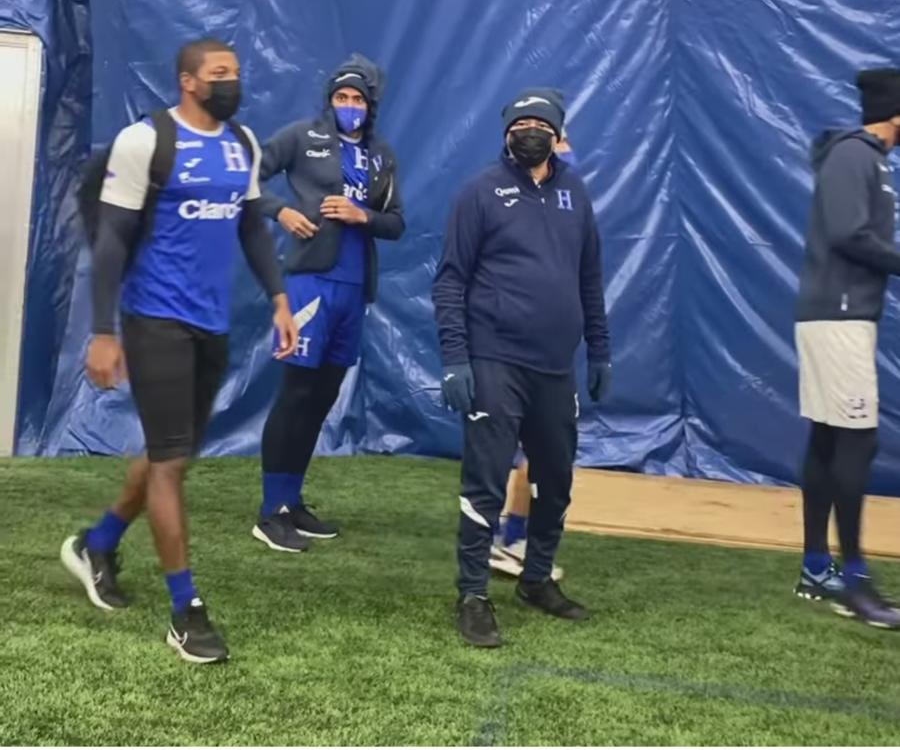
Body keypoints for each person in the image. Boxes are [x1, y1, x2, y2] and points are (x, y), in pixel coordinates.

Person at [60, 38, 297, 664]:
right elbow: (110, 240)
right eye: (220, 74)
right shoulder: (147, 142)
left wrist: (278, 298)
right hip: (153, 322)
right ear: (189, 81)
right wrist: (104, 331)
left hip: (210, 326)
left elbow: (250, 224)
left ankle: (99, 542)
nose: (232, 83)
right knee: (168, 464)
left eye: (236, 74)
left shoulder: (241, 144)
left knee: (174, 455)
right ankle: (186, 610)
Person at [432, 88, 611, 647]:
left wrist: (600, 351)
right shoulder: (480, 193)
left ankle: (536, 579)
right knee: (485, 480)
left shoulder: (575, 195)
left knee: (554, 479)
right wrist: (457, 359)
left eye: (541, 122)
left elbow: (589, 280)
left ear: (557, 133)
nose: (530, 130)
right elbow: (450, 280)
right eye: (521, 122)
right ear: (507, 131)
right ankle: (473, 594)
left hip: (556, 367)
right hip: (494, 360)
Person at [251, 54, 404, 552]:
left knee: (320, 400)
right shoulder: (302, 136)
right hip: (310, 285)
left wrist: (364, 215)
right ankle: (269, 511)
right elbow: (247, 176)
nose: (349, 106)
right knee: (295, 392)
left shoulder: (382, 156)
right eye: (342, 98)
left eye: (358, 99)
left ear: (370, 105)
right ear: (329, 101)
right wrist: (283, 211)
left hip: (354, 289)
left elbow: (397, 223)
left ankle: (292, 501)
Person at [794, 69, 900, 629]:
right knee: (856, 441)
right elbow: (848, 234)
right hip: (837, 317)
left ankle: (816, 566)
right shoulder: (855, 156)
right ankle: (855, 581)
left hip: (838, 316)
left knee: (831, 438)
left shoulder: (872, 160)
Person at [489, 130, 575, 583]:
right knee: (502, 447)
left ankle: (513, 537)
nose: (561, 148)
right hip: (504, 350)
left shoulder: (565, 196)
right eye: (557, 141)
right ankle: (493, 540)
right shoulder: (497, 195)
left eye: (558, 138)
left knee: (536, 452)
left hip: (547, 351)